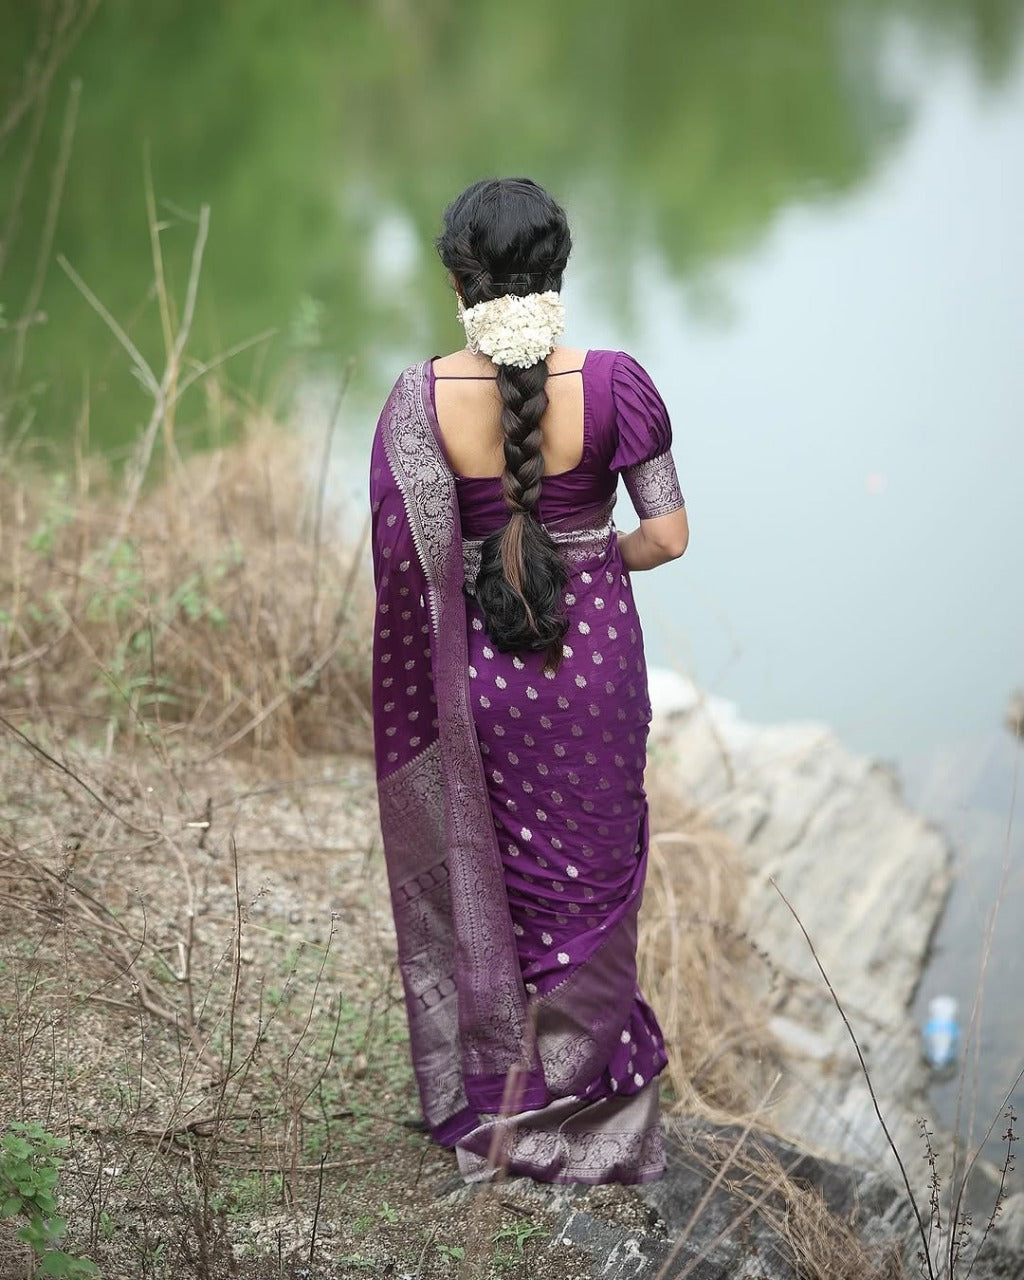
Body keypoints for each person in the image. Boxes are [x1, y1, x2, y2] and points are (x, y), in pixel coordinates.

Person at [369, 177, 689, 1185]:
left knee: (510, 881)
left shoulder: (418, 400)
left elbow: (410, 566)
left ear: (456, 276)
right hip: (593, 673)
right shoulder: (615, 383)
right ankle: (596, 1116)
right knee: (593, 883)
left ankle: (508, 1102)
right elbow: (669, 535)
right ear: (560, 267)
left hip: (484, 678)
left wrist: (495, 566)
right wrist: (585, 554)